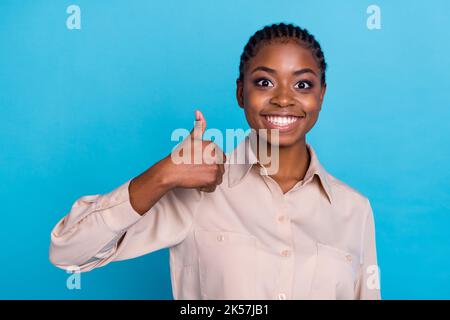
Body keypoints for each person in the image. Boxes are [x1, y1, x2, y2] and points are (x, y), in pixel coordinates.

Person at [49, 22, 381, 300]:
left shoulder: (354, 210)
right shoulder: (197, 192)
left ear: (321, 94)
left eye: (302, 84)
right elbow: (68, 253)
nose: (282, 98)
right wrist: (163, 175)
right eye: (264, 82)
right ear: (240, 93)